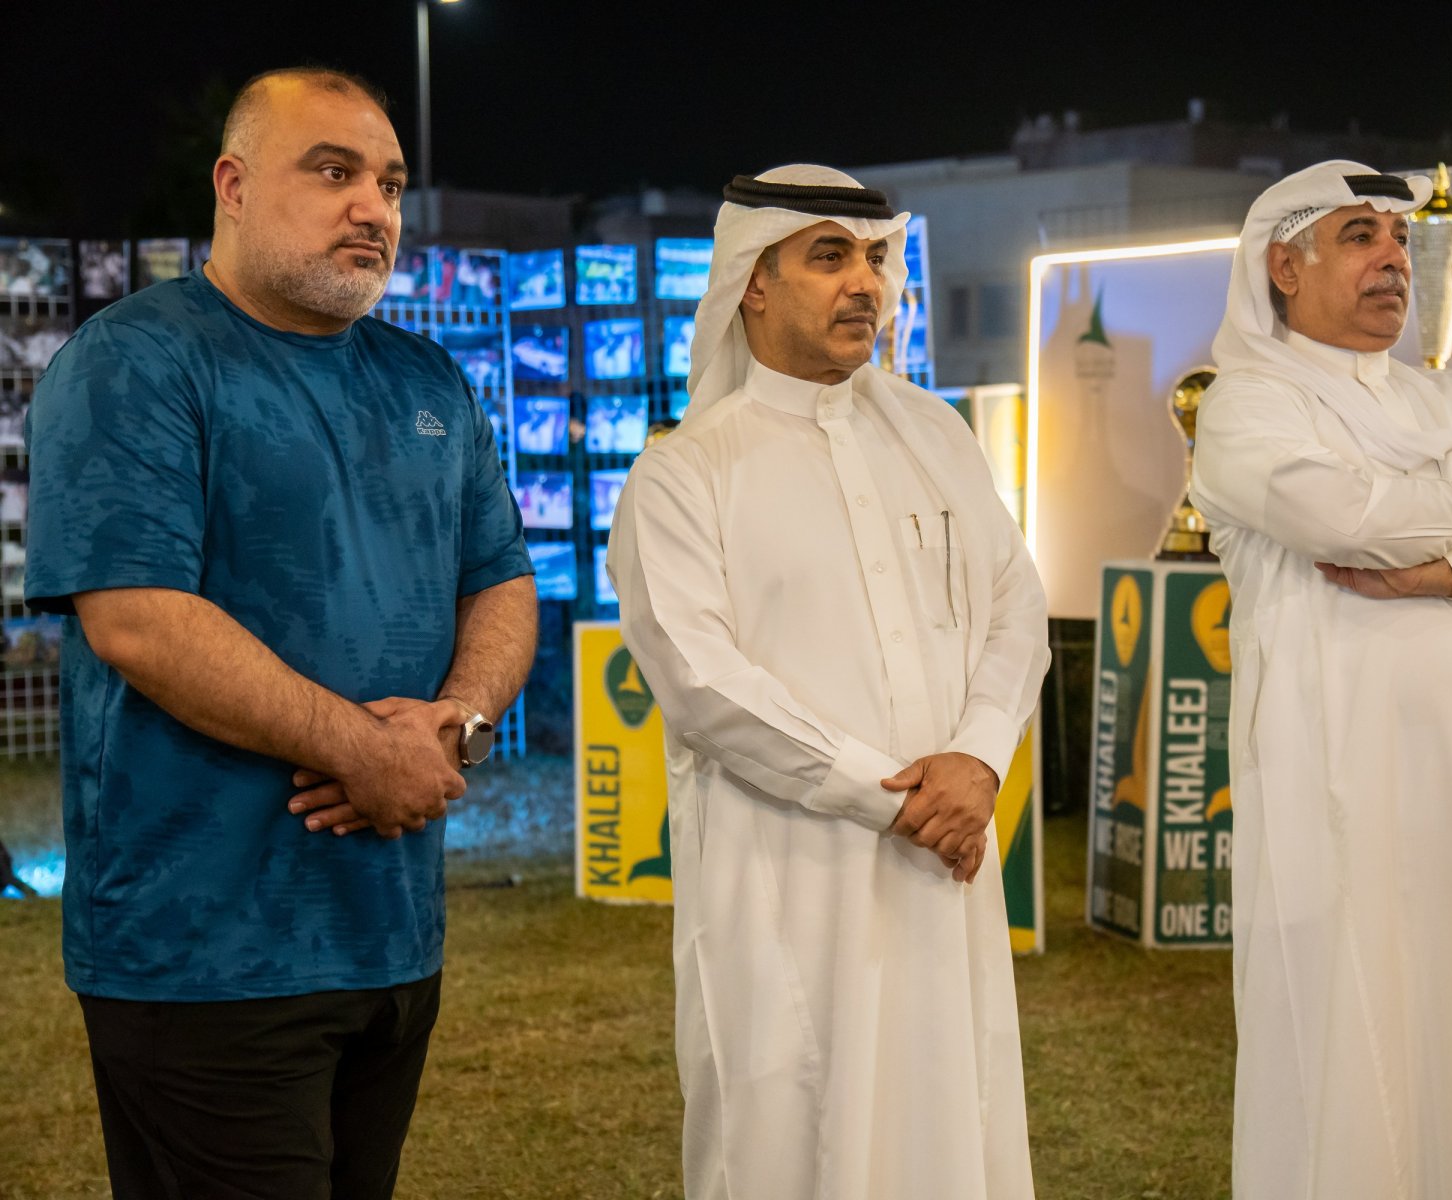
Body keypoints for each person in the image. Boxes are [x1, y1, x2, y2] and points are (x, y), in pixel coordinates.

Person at [25, 67, 537, 1198]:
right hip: (200, 949)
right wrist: (365, 749)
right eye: (334, 171)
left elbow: (500, 578)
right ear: (235, 185)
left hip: (391, 929)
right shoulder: (135, 361)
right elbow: (138, 620)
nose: (373, 207)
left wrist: (458, 723)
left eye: (390, 183)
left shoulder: (429, 378)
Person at [608, 164, 1050, 1200]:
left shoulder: (936, 433)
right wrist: (894, 798)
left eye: (876, 259)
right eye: (829, 257)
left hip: (945, 856)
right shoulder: (684, 473)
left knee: (952, 1118)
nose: (865, 283)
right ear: (752, 283)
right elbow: (703, 682)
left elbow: (1015, 603)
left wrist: (979, 758)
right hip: (787, 874)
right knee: (788, 1126)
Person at [1189, 160, 1452, 1199]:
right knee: (1351, 1027)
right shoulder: (1247, 407)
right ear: (1284, 267)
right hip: (1346, 785)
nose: (1393, 258)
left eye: (1398, 237)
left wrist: (1446, 572)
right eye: (1360, 236)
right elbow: (1346, 521)